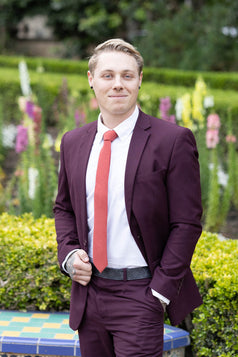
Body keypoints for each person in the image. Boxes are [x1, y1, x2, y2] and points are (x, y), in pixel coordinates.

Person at [54, 38, 203, 357]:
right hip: (88, 293)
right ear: (91, 80)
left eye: (127, 75)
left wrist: (160, 291)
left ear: (139, 80)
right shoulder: (73, 142)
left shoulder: (173, 141)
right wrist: (69, 255)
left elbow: (187, 224)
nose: (117, 84)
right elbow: (64, 208)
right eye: (108, 75)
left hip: (141, 293)